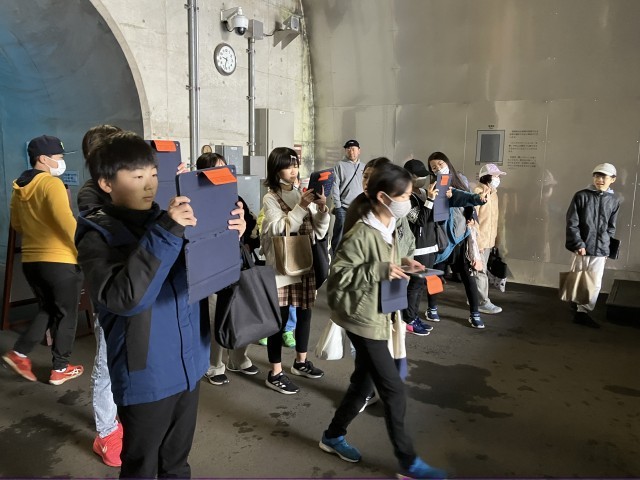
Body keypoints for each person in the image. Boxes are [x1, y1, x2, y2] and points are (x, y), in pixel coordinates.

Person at [75, 131, 245, 477]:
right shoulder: (97, 235)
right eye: (137, 176)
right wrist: (167, 231)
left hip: (189, 365)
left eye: (153, 174)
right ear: (106, 183)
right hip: (146, 376)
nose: (150, 184)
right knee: (142, 467)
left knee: (177, 464)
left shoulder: (167, 220)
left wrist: (229, 235)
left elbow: (209, 276)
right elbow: (126, 298)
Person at [319, 162, 445, 480]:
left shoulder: (388, 225)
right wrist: (381, 269)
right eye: (402, 196)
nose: (407, 201)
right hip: (363, 319)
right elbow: (339, 275)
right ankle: (409, 464)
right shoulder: (362, 231)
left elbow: (382, 259)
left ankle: (333, 436)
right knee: (393, 391)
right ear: (383, 197)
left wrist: (404, 263)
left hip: (379, 313)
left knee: (363, 384)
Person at [3, 135, 84, 385]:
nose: (61, 161)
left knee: (48, 308)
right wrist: (84, 250)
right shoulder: (52, 184)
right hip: (60, 261)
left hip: (32, 261)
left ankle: (19, 354)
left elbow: (17, 225)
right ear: (43, 159)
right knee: (67, 314)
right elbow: (66, 222)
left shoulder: (19, 188)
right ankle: (61, 368)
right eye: (58, 157)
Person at [260, 147, 330, 394]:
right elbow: (280, 228)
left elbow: (319, 232)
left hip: (305, 262)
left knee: (305, 314)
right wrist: (301, 206)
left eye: (296, 165)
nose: (294, 170)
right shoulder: (270, 198)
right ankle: (275, 372)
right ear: (276, 169)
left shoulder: (302, 193)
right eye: (288, 166)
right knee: (278, 321)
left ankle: (301, 362)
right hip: (282, 267)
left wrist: (322, 209)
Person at [78, 124, 124, 467]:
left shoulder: (128, 187)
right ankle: (107, 432)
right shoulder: (90, 194)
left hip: (136, 290)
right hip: (108, 295)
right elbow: (113, 228)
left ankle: (122, 417)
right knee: (106, 364)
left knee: (127, 360)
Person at [195, 151, 259, 385]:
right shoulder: (196, 200)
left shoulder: (234, 197)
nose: (221, 173)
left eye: (224, 168)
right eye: (215, 168)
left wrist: (244, 233)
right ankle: (214, 364)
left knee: (240, 312)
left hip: (236, 263)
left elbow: (251, 226)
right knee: (214, 315)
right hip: (209, 267)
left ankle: (238, 358)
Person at [427, 151, 487, 329]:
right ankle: (432, 308)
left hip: (461, 235)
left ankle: (475, 313)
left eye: (440, 164)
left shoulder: (460, 180)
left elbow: (467, 199)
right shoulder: (432, 185)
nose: (438, 168)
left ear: (447, 163)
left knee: (468, 276)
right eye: (434, 167)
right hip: (442, 237)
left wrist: (472, 216)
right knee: (435, 274)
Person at [565, 162, 620, 328]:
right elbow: (572, 222)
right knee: (577, 276)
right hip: (581, 247)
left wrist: (607, 248)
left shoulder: (614, 200)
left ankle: (583, 312)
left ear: (613, 179)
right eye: (597, 176)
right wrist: (578, 243)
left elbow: (611, 227)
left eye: (604, 177)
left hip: (600, 249)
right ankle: (574, 304)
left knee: (594, 281)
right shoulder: (581, 196)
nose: (599, 180)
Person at [402, 159, 441, 336]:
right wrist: (430, 200)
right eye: (419, 176)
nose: (423, 178)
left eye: (424, 175)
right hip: (417, 248)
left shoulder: (425, 192)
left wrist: (440, 198)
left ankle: (414, 316)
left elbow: (436, 216)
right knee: (415, 284)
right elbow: (419, 220)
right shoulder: (405, 197)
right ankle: (408, 320)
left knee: (422, 284)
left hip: (430, 245)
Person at [473, 163, 507, 315]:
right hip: (479, 241)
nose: (498, 178)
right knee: (480, 271)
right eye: (495, 176)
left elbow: (494, 220)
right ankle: (482, 302)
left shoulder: (493, 193)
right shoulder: (478, 192)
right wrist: (477, 242)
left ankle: (474, 298)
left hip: (488, 241)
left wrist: (495, 240)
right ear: (486, 177)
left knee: (481, 270)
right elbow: (473, 219)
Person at [331, 139, 364, 255]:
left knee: (357, 235)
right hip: (343, 207)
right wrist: (338, 206)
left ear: (359, 150)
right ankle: (335, 258)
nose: (351, 151)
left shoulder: (364, 167)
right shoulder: (339, 165)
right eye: (348, 149)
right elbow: (335, 186)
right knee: (339, 235)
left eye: (353, 149)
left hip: (359, 208)